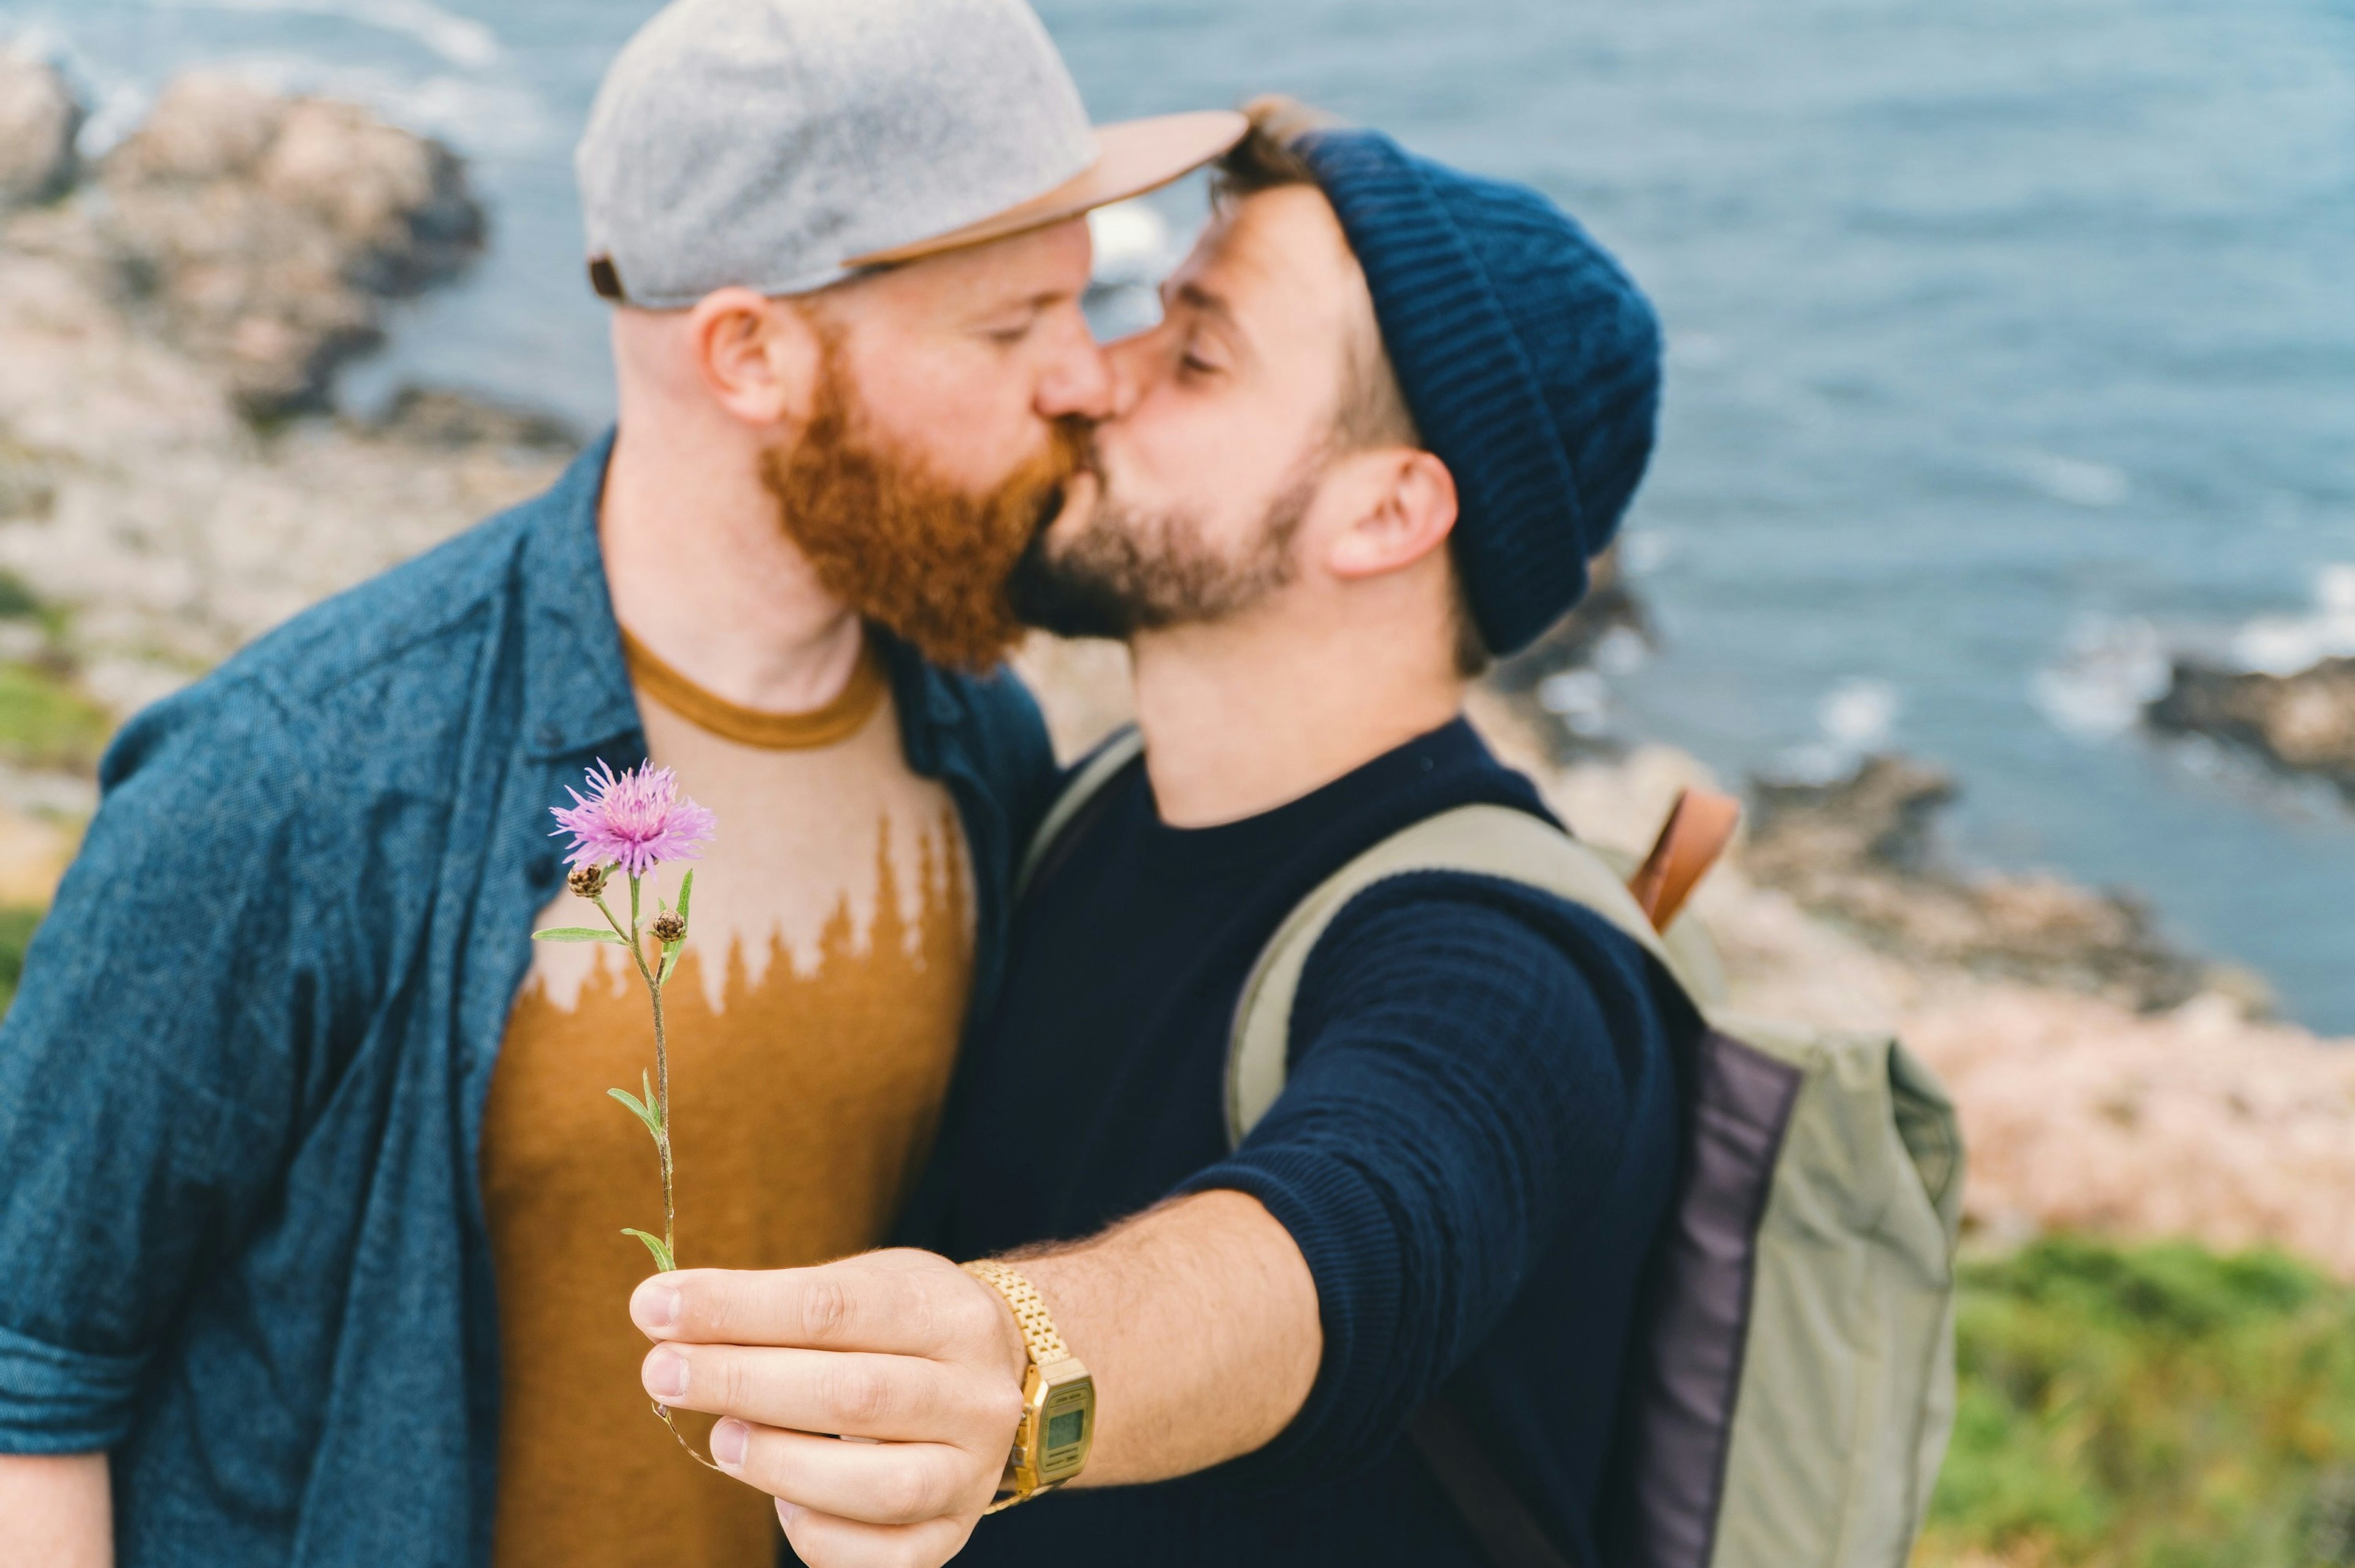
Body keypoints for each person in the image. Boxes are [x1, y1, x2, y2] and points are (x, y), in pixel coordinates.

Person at [0, 2, 1242, 1562]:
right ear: (751, 352)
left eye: (1083, 302)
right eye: (1009, 328)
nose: (1086, 378)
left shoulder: (978, 738)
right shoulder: (289, 781)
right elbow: (30, 1373)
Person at [624, 102, 1680, 1568]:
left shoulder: (1504, 964)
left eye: (1194, 354)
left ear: (1385, 513)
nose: (1087, 377)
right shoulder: (1086, 800)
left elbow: (1359, 1232)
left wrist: (1015, 1362)